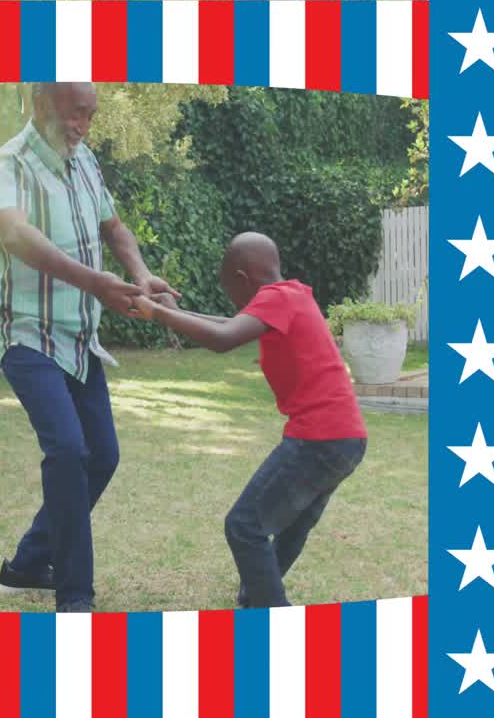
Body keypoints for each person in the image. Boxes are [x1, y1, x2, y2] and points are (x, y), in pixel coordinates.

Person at [0, 82, 179, 613]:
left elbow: (113, 227)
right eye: (75, 114)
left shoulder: (85, 160)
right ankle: (74, 593)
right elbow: (16, 236)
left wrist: (139, 274)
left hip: (78, 337)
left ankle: (27, 563)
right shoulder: (10, 165)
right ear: (40, 104)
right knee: (68, 451)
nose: (82, 126)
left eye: (89, 116)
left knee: (103, 456)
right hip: (25, 332)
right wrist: (96, 283)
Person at [129, 232, 367, 608]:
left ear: (242, 278)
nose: (234, 302)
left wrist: (159, 312)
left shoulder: (275, 298)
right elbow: (233, 322)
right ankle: (256, 593)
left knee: (244, 526)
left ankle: (273, 613)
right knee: (293, 522)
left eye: (230, 289)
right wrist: (174, 312)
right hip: (347, 438)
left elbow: (224, 337)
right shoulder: (292, 295)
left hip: (318, 437)